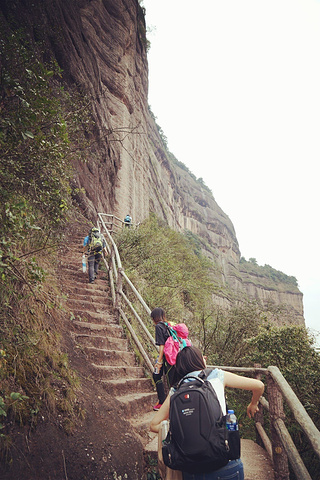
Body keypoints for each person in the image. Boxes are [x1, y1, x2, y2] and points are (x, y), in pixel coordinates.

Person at [150, 345, 265, 480]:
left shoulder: (176, 389)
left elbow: (154, 425)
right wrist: (253, 404)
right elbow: (259, 386)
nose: (205, 358)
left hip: (192, 469)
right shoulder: (217, 375)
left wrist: (174, 428)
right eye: (201, 356)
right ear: (197, 361)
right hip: (226, 464)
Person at [151, 307, 176, 411]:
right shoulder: (169, 325)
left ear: (154, 318)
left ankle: (163, 403)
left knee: (157, 376)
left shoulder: (159, 327)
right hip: (175, 357)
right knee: (173, 382)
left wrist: (159, 362)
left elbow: (162, 346)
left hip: (168, 359)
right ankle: (165, 403)